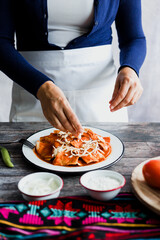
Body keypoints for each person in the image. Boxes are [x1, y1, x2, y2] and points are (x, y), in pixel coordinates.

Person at [0, 0, 146, 136]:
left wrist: (130, 69)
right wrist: (40, 87)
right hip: (33, 93)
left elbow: (134, 38)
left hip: (101, 100)